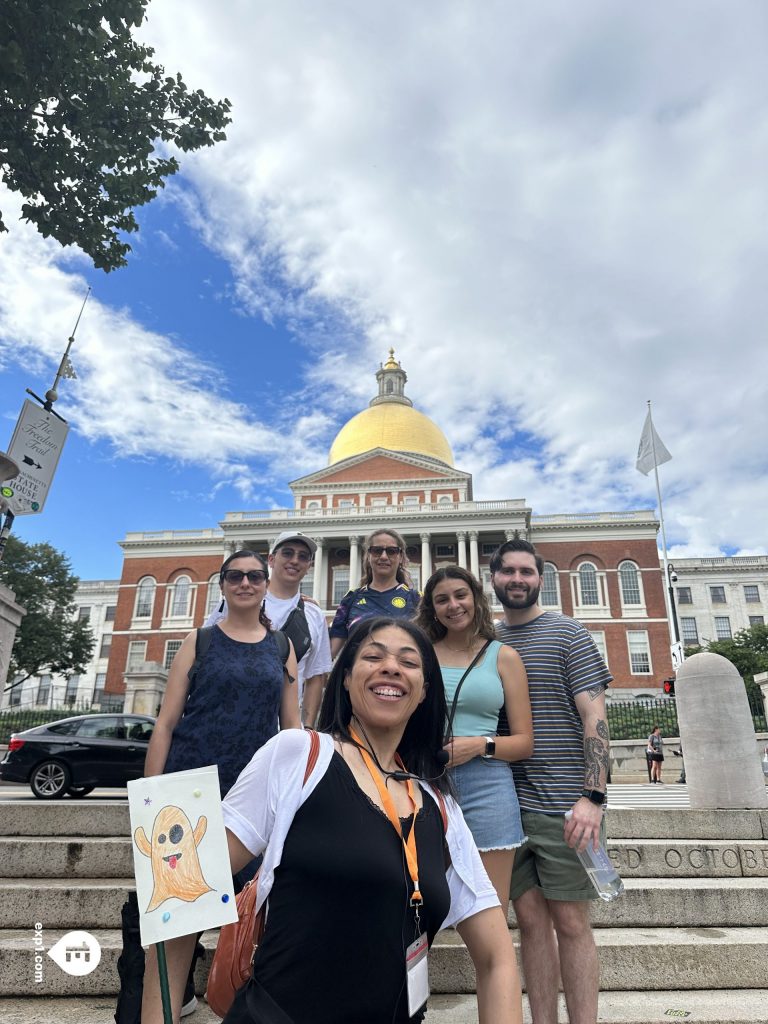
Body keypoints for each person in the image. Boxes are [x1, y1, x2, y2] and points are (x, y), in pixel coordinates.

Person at [218, 617, 523, 1024]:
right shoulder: (298, 756)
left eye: (409, 662)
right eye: (373, 656)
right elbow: (187, 886)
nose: (391, 667)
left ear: (424, 691)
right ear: (345, 678)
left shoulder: (441, 808)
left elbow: (497, 959)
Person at [140, 549, 301, 1023]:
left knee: (253, 914)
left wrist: (297, 796)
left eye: (254, 576)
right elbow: (166, 722)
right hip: (189, 789)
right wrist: (150, 796)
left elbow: (292, 729)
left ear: (266, 583)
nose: (245, 583)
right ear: (223, 584)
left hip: (253, 795)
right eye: (235, 576)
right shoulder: (200, 639)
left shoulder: (282, 647)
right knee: (176, 921)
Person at [490, 539, 612, 1024]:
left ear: (540, 579)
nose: (517, 579)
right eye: (508, 571)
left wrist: (593, 796)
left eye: (527, 571)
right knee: (530, 923)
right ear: (494, 578)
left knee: (571, 921)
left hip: (566, 804)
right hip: (508, 805)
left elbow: (594, 716)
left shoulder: (568, 633)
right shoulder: (489, 640)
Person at [415, 566, 533, 915]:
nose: (453, 605)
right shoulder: (421, 655)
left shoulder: (503, 656)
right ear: (432, 609)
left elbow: (524, 743)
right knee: (423, 903)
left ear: (476, 599)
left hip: (488, 785)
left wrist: (481, 745)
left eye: (460, 595)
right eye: (442, 600)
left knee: (489, 907)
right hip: (427, 780)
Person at [205, 531, 332, 727]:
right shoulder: (240, 600)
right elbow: (204, 651)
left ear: (309, 566)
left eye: (303, 556)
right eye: (287, 553)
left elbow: (315, 676)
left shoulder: (314, 615)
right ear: (271, 560)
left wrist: (307, 727)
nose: (295, 560)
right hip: (227, 718)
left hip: (284, 728)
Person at [329, 528, 421, 657]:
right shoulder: (351, 599)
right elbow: (330, 653)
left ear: (400, 557)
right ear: (368, 556)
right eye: (377, 550)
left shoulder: (415, 599)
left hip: (398, 668)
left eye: (391, 551)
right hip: (358, 668)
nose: (383, 556)